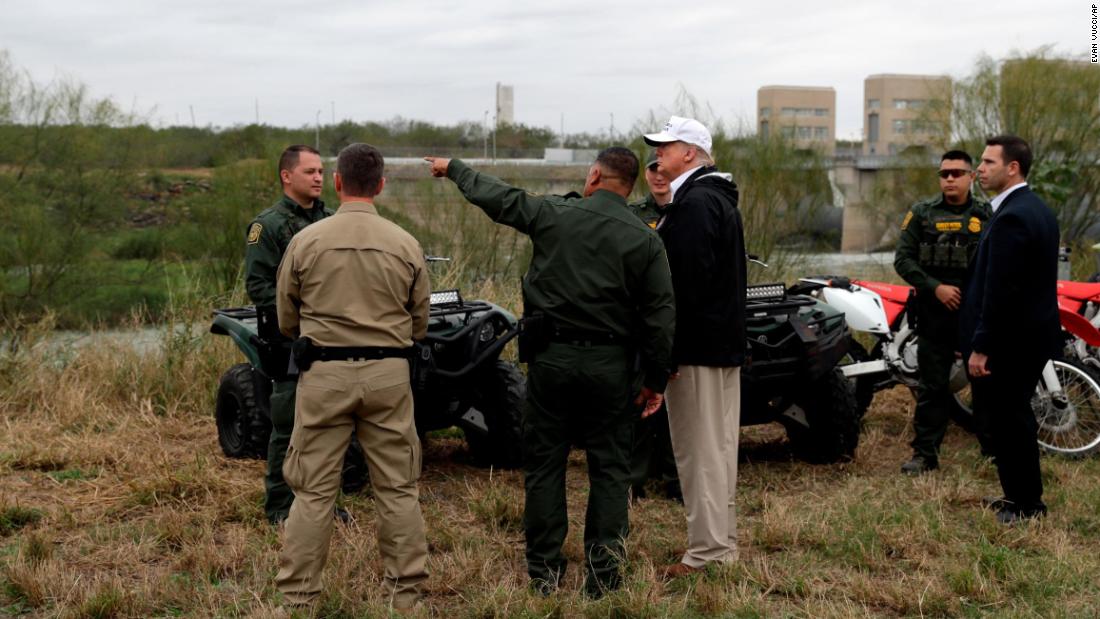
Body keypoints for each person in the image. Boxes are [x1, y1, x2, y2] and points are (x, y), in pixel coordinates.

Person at [425, 148, 674, 598]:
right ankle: (605, 578)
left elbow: (500, 198)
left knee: (544, 466)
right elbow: (660, 318)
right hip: (611, 367)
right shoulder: (645, 239)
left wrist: (454, 169)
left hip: (552, 361)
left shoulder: (554, 214)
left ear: (594, 175)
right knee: (611, 470)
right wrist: (655, 380)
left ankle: (544, 572)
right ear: (632, 185)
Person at [274, 143, 430, 611]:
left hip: (325, 375)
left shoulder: (306, 241)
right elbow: (419, 321)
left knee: (313, 491)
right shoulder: (405, 242)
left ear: (338, 182)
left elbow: (287, 317)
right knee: (398, 488)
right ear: (380, 185)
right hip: (388, 376)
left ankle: (297, 601)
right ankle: (406, 598)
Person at [642, 116, 746, 578]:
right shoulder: (716, 198)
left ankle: (706, 554)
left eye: (666, 146)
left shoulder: (694, 204)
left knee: (700, 453)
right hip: (721, 345)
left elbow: (681, 289)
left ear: (690, 153)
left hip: (697, 350)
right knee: (719, 450)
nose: (657, 154)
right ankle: (720, 546)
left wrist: (665, 354)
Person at [959, 135, 1061, 524]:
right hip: (1026, 336)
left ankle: (1026, 505)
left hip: (1010, 341)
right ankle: (1019, 496)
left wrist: (981, 345)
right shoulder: (1035, 209)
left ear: (1012, 167)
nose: (979, 169)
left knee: (1009, 420)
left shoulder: (1014, 216)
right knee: (1012, 418)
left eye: (987, 162)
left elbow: (1002, 290)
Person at [244, 144, 333, 525]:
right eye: (310, 171)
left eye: (321, 172)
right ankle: (280, 506)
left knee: (329, 428)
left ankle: (323, 502)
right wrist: (302, 316)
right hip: (291, 339)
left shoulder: (331, 220)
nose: (318, 178)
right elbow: (260, 287)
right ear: (287, 176)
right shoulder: (268, 226)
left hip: (333, 339)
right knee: (288, 425)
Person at [893, 150, 992, 474]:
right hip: (934, 313)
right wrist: (936, 287)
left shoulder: (986, 214)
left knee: (985, 383)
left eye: (957, 173)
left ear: (971, 177)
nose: (949, 178)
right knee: (932, 386)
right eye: (944, 173)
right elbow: (903, 260)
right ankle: (925, 455)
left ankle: (993, 451)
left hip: (974, 314)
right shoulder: (922, 214)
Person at [628, 151, 680, 502]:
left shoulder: (687, 210)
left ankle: (677, 478)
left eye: (663, 169)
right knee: (641, 399)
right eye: (652, 169)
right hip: (644, 317)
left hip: (681, 317)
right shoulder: (633, 215)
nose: (659, 176)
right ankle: (635, 479)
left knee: (680, 404)